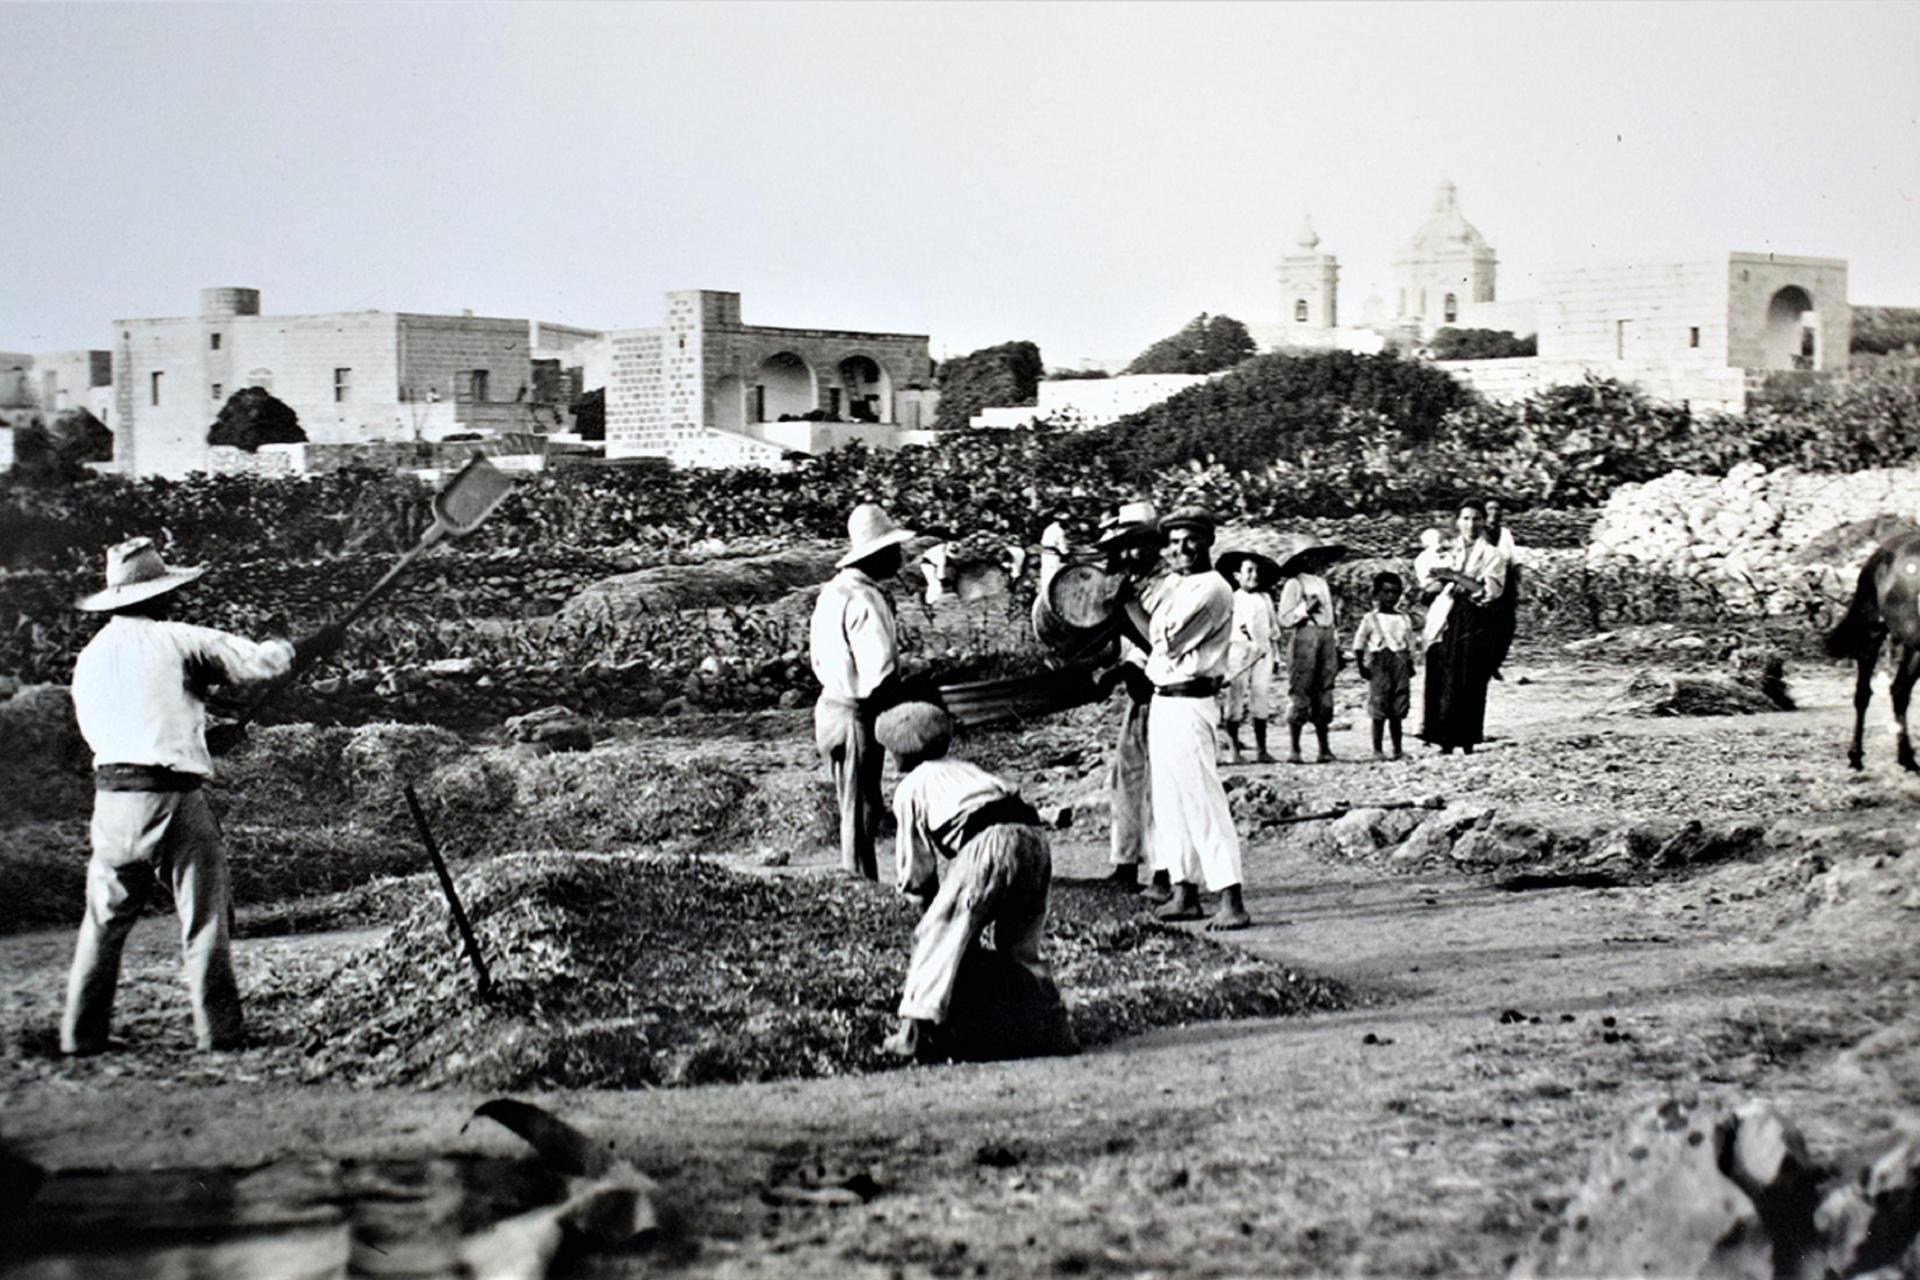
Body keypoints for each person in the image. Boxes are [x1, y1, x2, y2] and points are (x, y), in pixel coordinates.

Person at [60, 537, 344, 1055]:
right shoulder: (178, 638)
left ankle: (80, 1034)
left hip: (111, 804)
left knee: (102, 922)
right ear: (158, 596)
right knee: (205, 920)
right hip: (172, 800)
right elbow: (260, 664)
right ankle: (220, 1032)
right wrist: (310, 644)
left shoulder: (91, 658)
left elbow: (128, 729)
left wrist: (205, 738)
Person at [878, 701, 1056, 1061]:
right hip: (1034, 839)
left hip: (991, 843)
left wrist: (925, 905)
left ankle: (912, 1033)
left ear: (902, 752)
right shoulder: (965, 769)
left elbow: (916, 866)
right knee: (1020, 944)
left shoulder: (911, 787)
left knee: (936, 934)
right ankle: (1053, 1030)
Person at [1123, 507, 1251, 931]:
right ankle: (1184, 890)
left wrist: (1125, 604)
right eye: (1173, 543)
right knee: (1170, 802)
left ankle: (1230, 898)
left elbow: (1165, 641)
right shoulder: (1178, 585)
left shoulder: (1213, 588)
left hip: (1191, 702)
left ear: (1208, 542)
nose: (1179, 549)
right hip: (1165, 700)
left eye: (1188, 540)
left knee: (1202, 799)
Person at [809, 502, 911, 881]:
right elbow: (879, 674)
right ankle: (860, 882)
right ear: (877, 554)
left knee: (853, 802)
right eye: (894, 550)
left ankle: (861, 876)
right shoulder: (867, 601)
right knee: (862, 810)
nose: (900, 558)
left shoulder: (831, 593)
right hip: (855, 714)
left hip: (830, 709)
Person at [1092, 501, 1171, 897]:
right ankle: (1125, 865)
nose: (1129, 554)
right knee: (1127, 780)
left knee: (1159, 788)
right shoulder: (1133, 584)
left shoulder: (1168, 585)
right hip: (1139, 696)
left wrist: (1125, 604)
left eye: (1138, 545)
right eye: (1123, 547)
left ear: (1156, 545)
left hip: (1166, 695)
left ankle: (1163, 872)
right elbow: (1119, 644)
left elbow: (1160, 644)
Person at [1420, 502, 1508, 754]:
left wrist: (1457, 577)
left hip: (1473, 619)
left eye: (1477, 519)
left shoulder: (1492, 554)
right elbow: (1431, 579)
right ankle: (1442, 738)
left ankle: (1467, 738)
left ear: (1483, 522)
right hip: (1445, 613)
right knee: (1440, 671)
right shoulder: (1447, 550)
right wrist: (1444, 581)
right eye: (1466, 518)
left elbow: (1489, 590)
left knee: (1468, 675)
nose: (1471, 524)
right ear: (1458, 521)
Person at [1214, 550, 1281, 764]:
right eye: (1248, 571)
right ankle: (1234, 750)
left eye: (1256, 571)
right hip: (1238, 653)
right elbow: (1227, 629)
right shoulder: (1232, 599)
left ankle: (1262, 749)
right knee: (1236, 698)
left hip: (1262, 652)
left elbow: (1273, 629)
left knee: (1260, 696)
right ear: (1237, 575)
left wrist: (1275, 655)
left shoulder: (1265, 598)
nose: (1253, 575)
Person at [1276, 554, 1340, 764]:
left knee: (1324, 689)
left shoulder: (1321, 583)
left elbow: (1330, 616)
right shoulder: (1294, 584)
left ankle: (1324, 748)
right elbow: (1284, 618)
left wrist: (1335, 640)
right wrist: (1304, 610)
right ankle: (1295, 749)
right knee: (1301, 688)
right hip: (1305, 634)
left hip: (1325, 635)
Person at [1351, 571, 1416, 761]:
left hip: (1400, 662)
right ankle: (1377, 749)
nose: (1391, 597)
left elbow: (1409, 642)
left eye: (1395, 593)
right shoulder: (1371, 619)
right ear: (1377, 594)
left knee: (1398, 706)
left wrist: (1409, 663)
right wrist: (1361, 666)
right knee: (1379, 706)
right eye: (1386, 592)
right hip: (1379, 662)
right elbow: (1359, 643)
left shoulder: (1404, 618)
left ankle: (1397, 748)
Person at [1482, 498, 1523, 679]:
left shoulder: (1505, 533)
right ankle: (1483, 664)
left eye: (1498, 509)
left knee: (1506, 626)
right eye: (1490, 508)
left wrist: (1518, 584)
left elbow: (1514, 559)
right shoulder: (1478, 532)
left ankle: (1495, 663)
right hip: (1484, 582)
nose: (1495, 512)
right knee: (1484, 624)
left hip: (1506, 583)